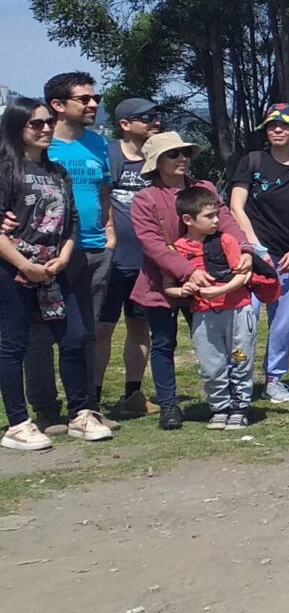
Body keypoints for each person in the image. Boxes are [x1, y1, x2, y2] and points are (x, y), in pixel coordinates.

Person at [0, 99, 112, 449]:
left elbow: (71, 222)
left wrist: (63, 256)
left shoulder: (57, 171)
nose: (46, 129)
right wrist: (23, 263)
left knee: (75, 337)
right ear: (17, 127)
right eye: (36, 124)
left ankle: (81, 412)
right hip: (13, 268)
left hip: (56, 267)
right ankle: (18, 421)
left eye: (48, 122)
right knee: (14, 344)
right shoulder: (5, 169)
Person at [132, 130, 250, 431]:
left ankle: (229, 401)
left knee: (219, 342)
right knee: (163, 343)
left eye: (185, 152)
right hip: (162, 281)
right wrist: (186, 271)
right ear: (157, 161)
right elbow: (152, 244)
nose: (182, 158)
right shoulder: (145, 199)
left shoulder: (204, 187)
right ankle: (169, 405)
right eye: (174, 153)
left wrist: (245, 248)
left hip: (211, 279)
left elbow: (226, 222)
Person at [227, 104, 289, 404]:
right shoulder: (253, 161)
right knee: (245, 320)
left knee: (284, 322)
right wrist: (256, 248)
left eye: (284, 126)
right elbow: (235, 207)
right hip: (253, 259)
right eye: (271, 126)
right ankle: (238, 379)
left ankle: (274, 379)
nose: (277, 130)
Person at [42, 72, 111, 432]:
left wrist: (109, 234)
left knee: (87, 332)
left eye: (93, 98)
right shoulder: (41, 144)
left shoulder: (99, 144)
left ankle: (86, 408)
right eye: (83, 99)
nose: (93, 104)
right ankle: (45, 411)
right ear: (58, 105)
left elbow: (103, 193)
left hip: (95, 249)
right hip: (50, 253)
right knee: (44, 333)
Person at [164, 187, 263, 430]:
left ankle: (240, 407)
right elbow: (168, 287)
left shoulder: (227, 240)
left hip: (238, 311)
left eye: (217, 214)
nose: (216, 220)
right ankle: (219, 407)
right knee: (211, 364)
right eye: (209, 216)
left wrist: (220, 290)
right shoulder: (177, 249)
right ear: (188, 220)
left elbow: (243, 275)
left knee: (240, 358)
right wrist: (183, 291)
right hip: (203, 316)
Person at [102, 98, 161, 416]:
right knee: (102, 329)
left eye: (157, 116)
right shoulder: (108, 154)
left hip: (147, 262)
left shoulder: (158, 158)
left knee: (139, 326)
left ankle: (133, 394)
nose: (155, 121)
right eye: (147, 117)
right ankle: (91, 401)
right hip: (112, 259)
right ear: (125, 124)